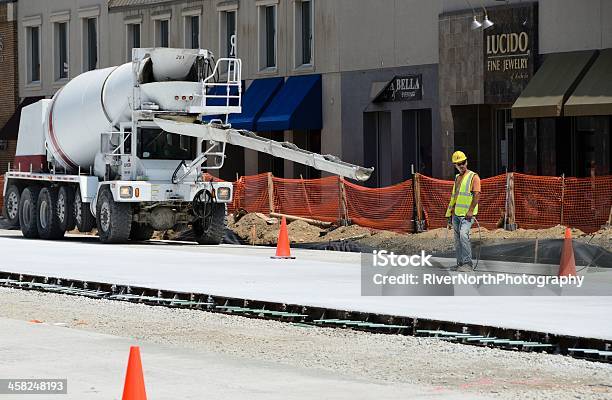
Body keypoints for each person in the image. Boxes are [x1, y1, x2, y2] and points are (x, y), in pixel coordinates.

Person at [445, 151, 481, 272]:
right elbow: (454, 197)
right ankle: (460, 263)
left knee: (463, 236)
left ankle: (468, 263)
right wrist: (449, 214)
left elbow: (477, 195)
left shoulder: (473, 177)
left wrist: (470, 210)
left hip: (467, 215)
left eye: (463, 163)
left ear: (466, 162)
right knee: (457, 239)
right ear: (455, 165)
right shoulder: (457, 178)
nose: (462, 165)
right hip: (456, 214)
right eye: (458, 164)